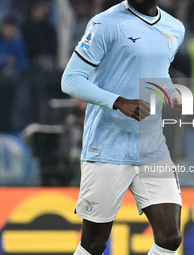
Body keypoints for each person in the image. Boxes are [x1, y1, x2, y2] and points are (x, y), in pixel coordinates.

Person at [62, 0, 185, 254]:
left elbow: (157, 72)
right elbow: (70, 80)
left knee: (170, 237)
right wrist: (117, 102)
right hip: (108, 145)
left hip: (151, 147)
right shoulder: (104, 24)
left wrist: (171, 93)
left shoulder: (175, 28)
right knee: (94, 243)